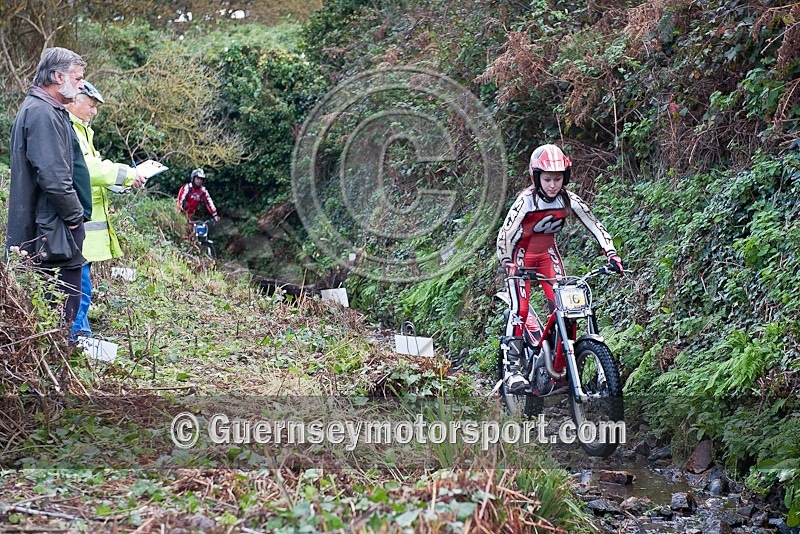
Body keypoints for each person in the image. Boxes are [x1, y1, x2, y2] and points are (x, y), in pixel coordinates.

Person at [496, 144, 624, 393]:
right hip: (520, 258)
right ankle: (512, 369)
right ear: (536, 177)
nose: (553, 185)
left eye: (558, 179)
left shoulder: (569, 199)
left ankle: (561, 363)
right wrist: (507, 262)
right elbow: (505, 234)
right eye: (547, 179)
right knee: (520, 308)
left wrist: (611, 253)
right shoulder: (526, 201)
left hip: (548, 256)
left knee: (566, 307)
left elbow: (594, 224)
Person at [6, 47, 91, 326]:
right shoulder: (42, 113)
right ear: (57, 76)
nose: (81, 85)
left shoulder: (44, 109)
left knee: (55, 309)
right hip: (50, 231)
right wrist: (75, 219)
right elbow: (54, 179)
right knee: (60, 311)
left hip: (48, 229)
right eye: (77, 78)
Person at [65, 80, 146, 337]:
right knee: (79, 290)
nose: (94, 111)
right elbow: (89, 169)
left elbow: (91, 174)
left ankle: (80, 340)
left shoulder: (82, 131)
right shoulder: (71, 129)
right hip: (79, 229)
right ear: (75, 100)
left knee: (81, 290)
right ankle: (75, 343)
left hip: (83, 230)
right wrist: (127, 174)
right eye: (91, 105)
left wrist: (119, 184)